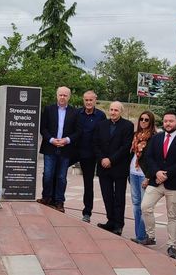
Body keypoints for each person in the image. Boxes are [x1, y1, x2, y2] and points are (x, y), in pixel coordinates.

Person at [138, 111, 176, 259]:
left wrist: (166, 174)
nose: (168, 123)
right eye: (166, 121)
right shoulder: (156, 138)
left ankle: (171, 245)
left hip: (174, 183)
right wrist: (156, 173)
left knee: (172, 215)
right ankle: (151, 236)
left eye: (171, 121)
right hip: (156, 180)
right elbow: (149, 157)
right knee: (145, 206)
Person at [37, 86, 81, 212]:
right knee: (48, 174)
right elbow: (43, 128)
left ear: (69, 97)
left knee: (61, 177)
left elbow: (78, 131)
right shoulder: (49, 109)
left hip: (66, 149)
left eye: (65, 95)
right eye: (60, 95)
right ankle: (46, 198)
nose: (62, 97)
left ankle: (59, 202)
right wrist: (51, 139)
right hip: (50, 147)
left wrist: (66, 140)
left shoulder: (74, 112)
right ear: (57, 96)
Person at [93, 101, 134, 235]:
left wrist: (111, 159)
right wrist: (102, 159)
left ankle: (118, 224)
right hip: (103, 167)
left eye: (116, 110)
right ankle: (110, 220)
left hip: (119, 167)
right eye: (111, 109)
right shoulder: (101, 125)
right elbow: (96, 144)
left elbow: (125, 146)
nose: (113, 112)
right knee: (107, 195)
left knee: (119, 197)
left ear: (121, 111)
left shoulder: (128, 126)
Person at [77, 91, 106, 223]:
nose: (88, 102)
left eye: (91, 100)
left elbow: (103, 137)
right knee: (58, 174)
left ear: (95, 100)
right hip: (75, 151)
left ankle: (87, 212)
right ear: (83, 100)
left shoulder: (101, 116)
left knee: (88, 184)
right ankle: (56, 201)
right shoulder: (77, 113)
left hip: (90, 154)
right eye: (86, 100)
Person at [127, 110, 156, 240]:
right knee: (136, 205)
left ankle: (143, 235)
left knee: (145, 206)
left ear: (151, 122)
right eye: (141, 119)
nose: (143, 122)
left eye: (146, 120)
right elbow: (132, 154)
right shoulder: (136, 135)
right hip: (133, 172)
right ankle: (139, 234)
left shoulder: (154, 137)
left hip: (144, 174)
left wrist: (149, 177)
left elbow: (154, 159)